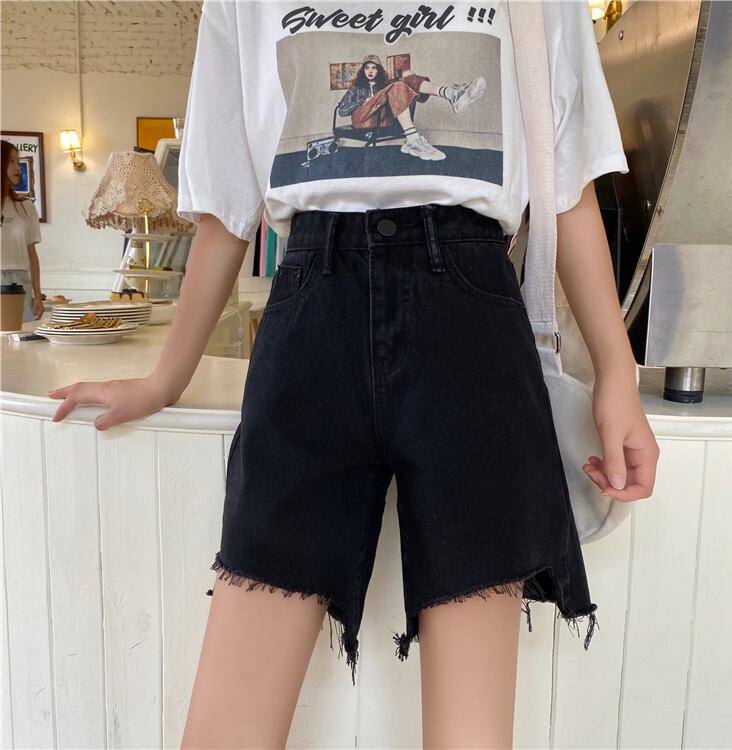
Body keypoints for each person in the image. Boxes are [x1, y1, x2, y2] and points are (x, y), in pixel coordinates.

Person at [48, 2, 660, 747]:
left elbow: (569, 188)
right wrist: (164, 379)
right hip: (311, 320)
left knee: (471, 735)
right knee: (226, 730)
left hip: (471, 331)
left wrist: (617, 373)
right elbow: (226, 206)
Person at [338, 53, 486, 160]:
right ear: (363, 71)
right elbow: (342, 110)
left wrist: (408, 77)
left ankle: (451, 94)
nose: (370, 71)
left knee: (407, 79)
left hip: (381, 119)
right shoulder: (356, 88)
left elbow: (403, 92)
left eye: (374, 68)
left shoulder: (384, 86)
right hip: (361, 119)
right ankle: (413, 140)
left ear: (379, 70)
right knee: (397, 85)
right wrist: (363, 101)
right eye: (367, 68)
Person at [1, 140, 44, 321]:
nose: (17, 167)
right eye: (11, 161)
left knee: (22, 334)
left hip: (20, 282)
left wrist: (38, 294)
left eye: (17, 161)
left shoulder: (25, 206)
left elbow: (32, 254)